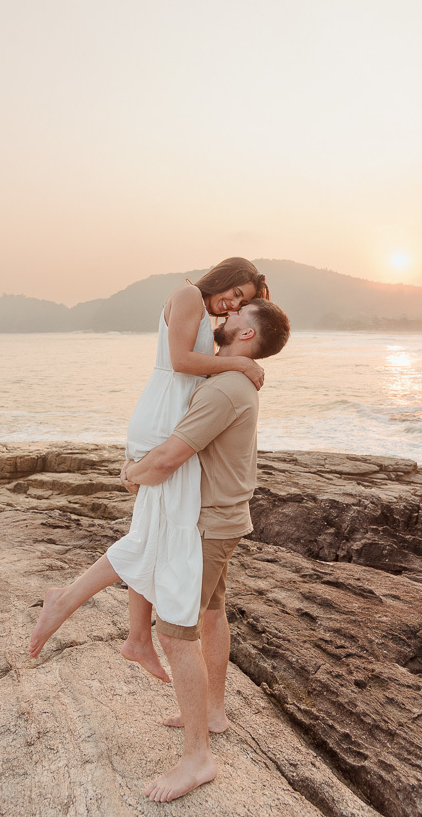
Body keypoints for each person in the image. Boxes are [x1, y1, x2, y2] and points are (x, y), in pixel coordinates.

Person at [28, 298, 291, 802]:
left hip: (206, 526)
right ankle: (213, 713)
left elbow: (170, 456)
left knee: (175, 635)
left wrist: (132, 475)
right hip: (223, 519)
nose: (227, 315)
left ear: (246, 335)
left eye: (238, 314)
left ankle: (197, 759)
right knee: (210, 613)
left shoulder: (224, 390)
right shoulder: (231, 379)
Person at [102, 257, 270, 683]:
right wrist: (240, 363)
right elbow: (180, 360)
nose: (232, 306)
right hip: (163, 415)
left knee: (152, 534)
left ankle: (134, 636)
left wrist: (243, 350)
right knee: (150, 535)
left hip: (173, 420)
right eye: (235, 294)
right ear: (223, 279)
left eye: (241, 304)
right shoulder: (189, 294)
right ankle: (118, 627)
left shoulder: (207, 318)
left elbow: (211, 355)